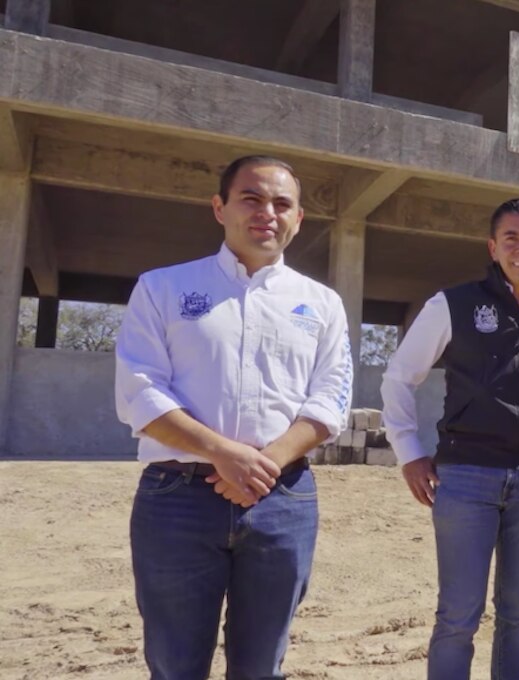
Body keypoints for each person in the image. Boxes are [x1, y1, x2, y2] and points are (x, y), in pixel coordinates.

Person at [115, 155, 353, 679]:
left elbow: (331, 397)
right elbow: (140, 390)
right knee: (175, 665)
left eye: (282, 203)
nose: (267, 212)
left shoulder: (323, 303)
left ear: (299, 219)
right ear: (220, 208)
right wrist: (223, 454)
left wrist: (263, 464)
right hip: (177, 501)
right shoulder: (163, 289)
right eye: (251, 198)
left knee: (261, 666)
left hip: (283, 500)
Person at [381, 198, 519, 680]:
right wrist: (409, 454)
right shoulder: (454, 304)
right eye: (511, 238)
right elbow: (399, 377)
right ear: (493, 246)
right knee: (458, 616)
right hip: (465, 477)